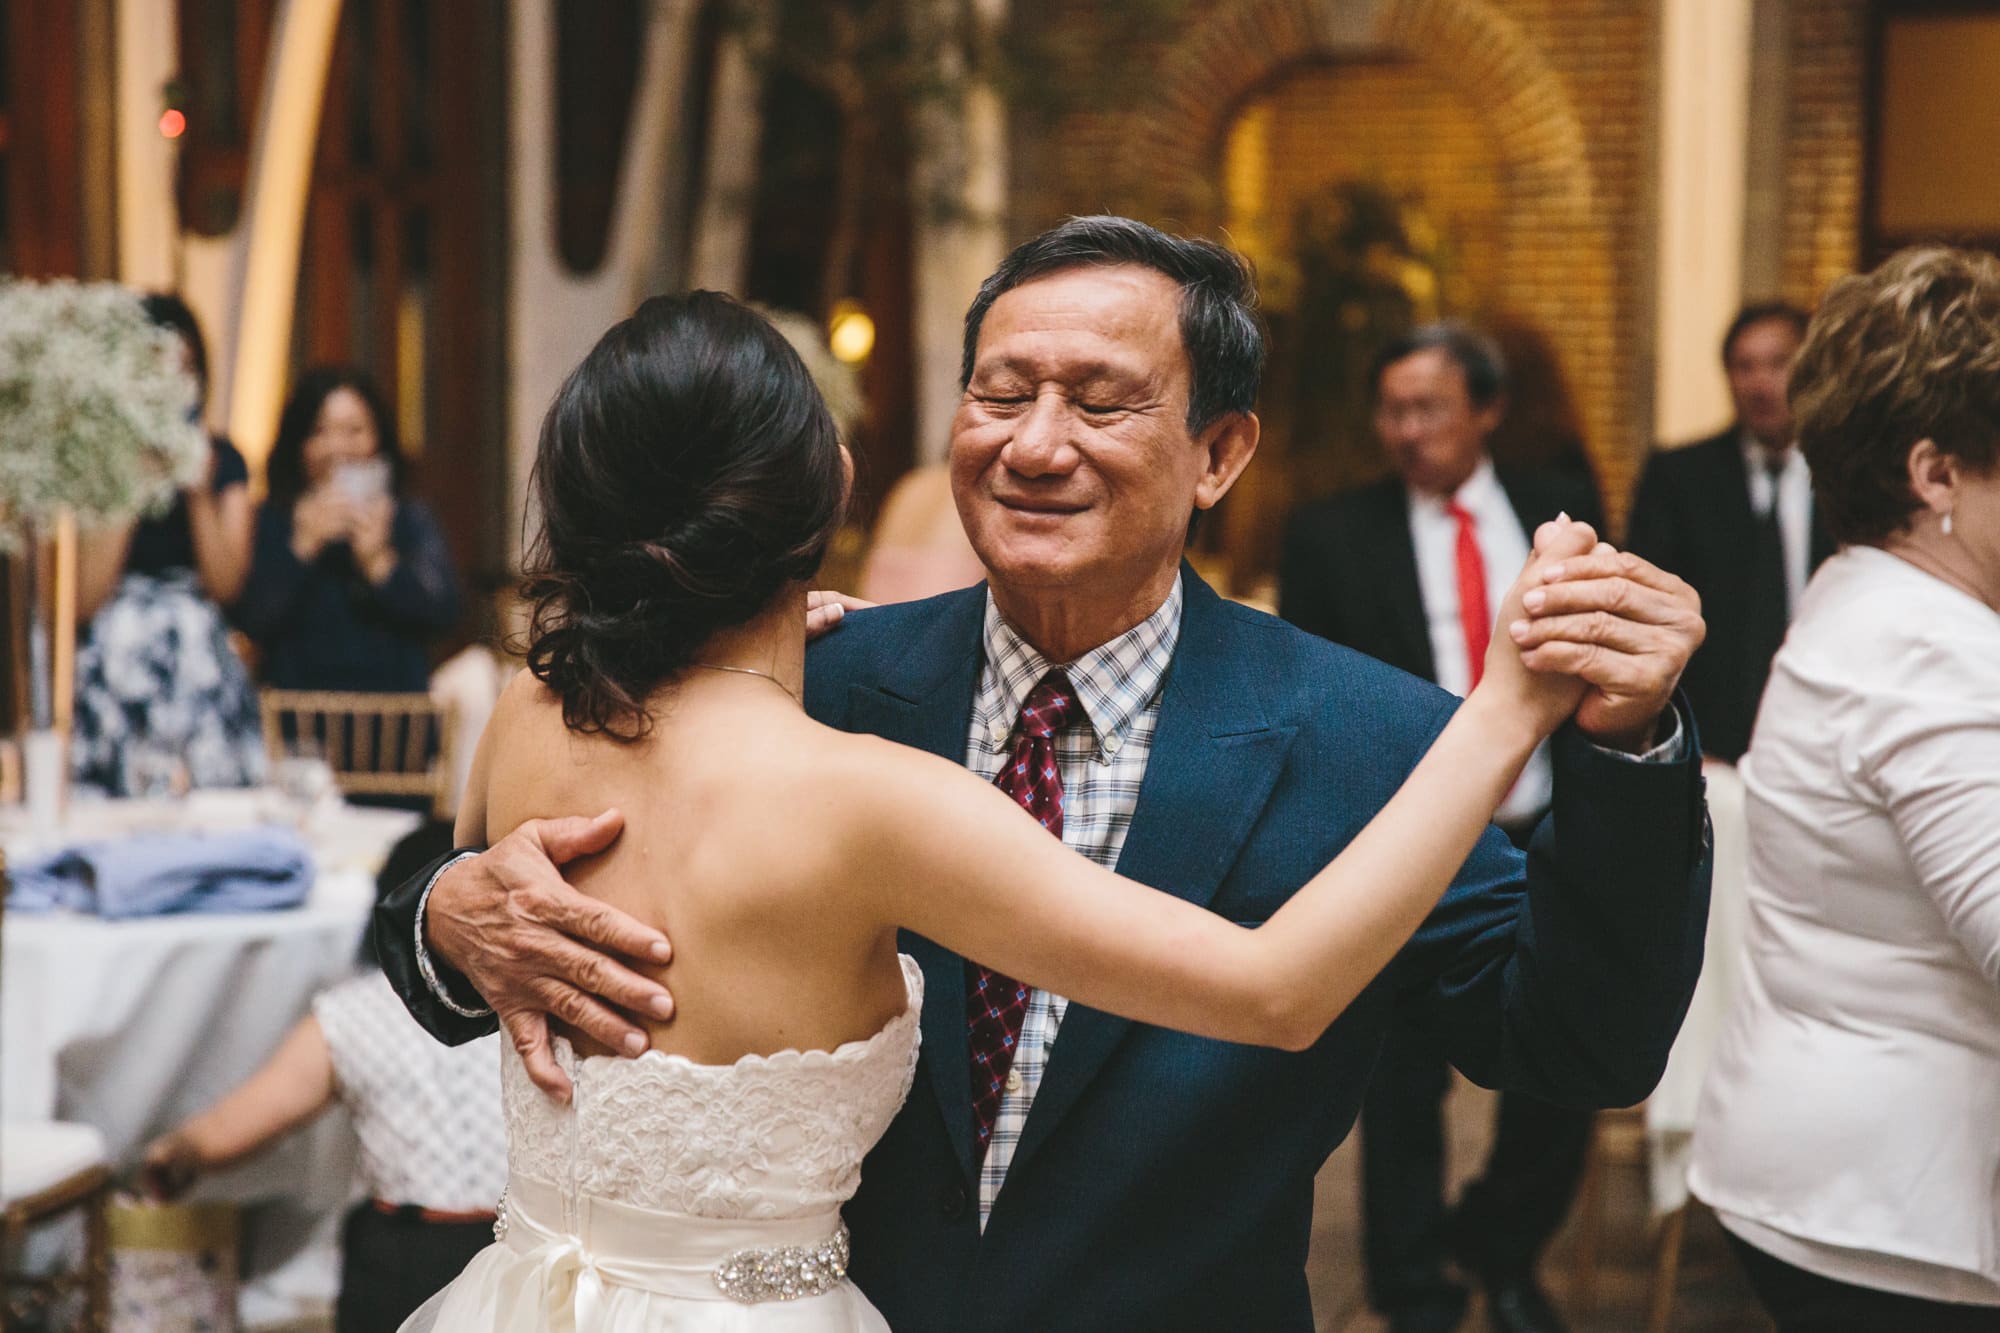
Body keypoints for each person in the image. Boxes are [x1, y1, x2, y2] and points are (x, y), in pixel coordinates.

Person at [379, 218, 1711, 1331]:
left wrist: (1630, 744)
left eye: (1103, 400)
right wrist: (451, 914)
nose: (1033, 443)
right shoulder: (815, 693)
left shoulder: (1365, 740)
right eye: (1001, 393)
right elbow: (432, 917)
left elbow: (1579, 1042)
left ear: (1221, 452)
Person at [1688, 247, 2000, 1329]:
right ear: (1934, 475)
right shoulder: (1933, 654)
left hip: (1827, 1164)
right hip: (1900, 1203)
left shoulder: (1857, 594)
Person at [1280, 323, 1604, 1333]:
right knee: (1400, 1082)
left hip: (1547, 824)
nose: (1406, 430)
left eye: (1428, 408)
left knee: (1565, 1063)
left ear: (1484, 410)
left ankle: (1502, 1250)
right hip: (1409, 834)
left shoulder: (1561, 509)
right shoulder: (1331, 531)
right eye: (1391, 410)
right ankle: (1412, 1289)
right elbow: (1315, 696)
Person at [142, 972, 505, 1331]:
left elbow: (247, 1117)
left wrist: (178, 1151)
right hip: (476, 1247)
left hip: (429, 1251)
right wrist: (184, 1150)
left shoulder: (357, 1010)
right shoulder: (355, 1012)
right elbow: (252, 1114)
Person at [1624, 302, 1835, 762]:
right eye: (1744, 367)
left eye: (1779, 363)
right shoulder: (1679, 478)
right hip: (1713, 750)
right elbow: (1648, 613)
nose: (1760, 383)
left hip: (1829, 732)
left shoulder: (1851, 477)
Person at [70, 293, 263, 795]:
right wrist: (133, 484)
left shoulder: (224, 459)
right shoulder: (97, 459)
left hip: (195, 644)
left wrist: (197, 492)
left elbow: (228, 588)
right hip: (116, 645)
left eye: (186, 370)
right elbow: (84, 598)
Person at [236, 367, 461, 694]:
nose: (337, 447)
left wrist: (380, 563)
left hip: (394, 725)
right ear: (298, 444)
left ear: (379, 440)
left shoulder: (407, 517)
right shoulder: (272, 517)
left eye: (354, 430)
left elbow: (445, 614)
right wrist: (301, 547)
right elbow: (250, 621)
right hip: (297, 724)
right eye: (319, 431)